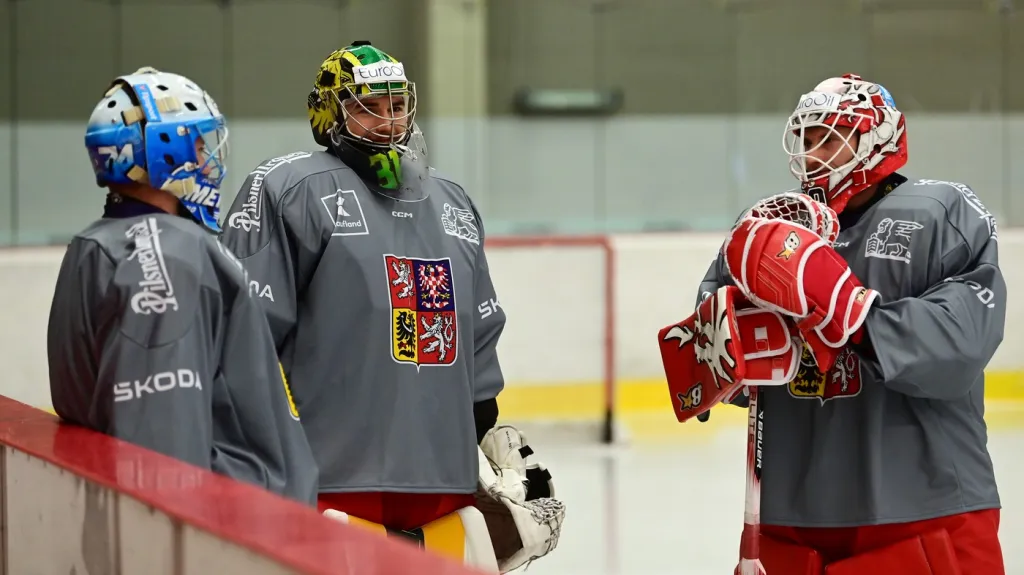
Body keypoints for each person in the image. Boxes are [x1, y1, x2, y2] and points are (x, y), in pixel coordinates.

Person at [218, 42, 563, 571]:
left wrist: (481, 417)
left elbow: (477, 325)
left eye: (396, 105)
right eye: (366, 106)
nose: (387, 120)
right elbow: (248, 330)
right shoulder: (292, 188)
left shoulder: (452, 201)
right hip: (332, 473)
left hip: (441, 474)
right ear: (330, 112)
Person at [661, 73, 1005, 574]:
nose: (814, 152)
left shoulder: (940, 212)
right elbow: (707, 360)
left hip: (923, 510)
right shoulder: (767, 230)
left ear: (876, 138)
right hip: (789, 523)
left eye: (831, 135)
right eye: (807, 138)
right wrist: (732, 349)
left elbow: (964, 340)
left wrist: (855, 316)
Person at [46, 67, 318, 505]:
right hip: (243, 529)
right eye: (195, 142)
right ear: (162, 151)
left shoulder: (94, 243)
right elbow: (162, 460)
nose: (206, 157)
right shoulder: (168, 256)